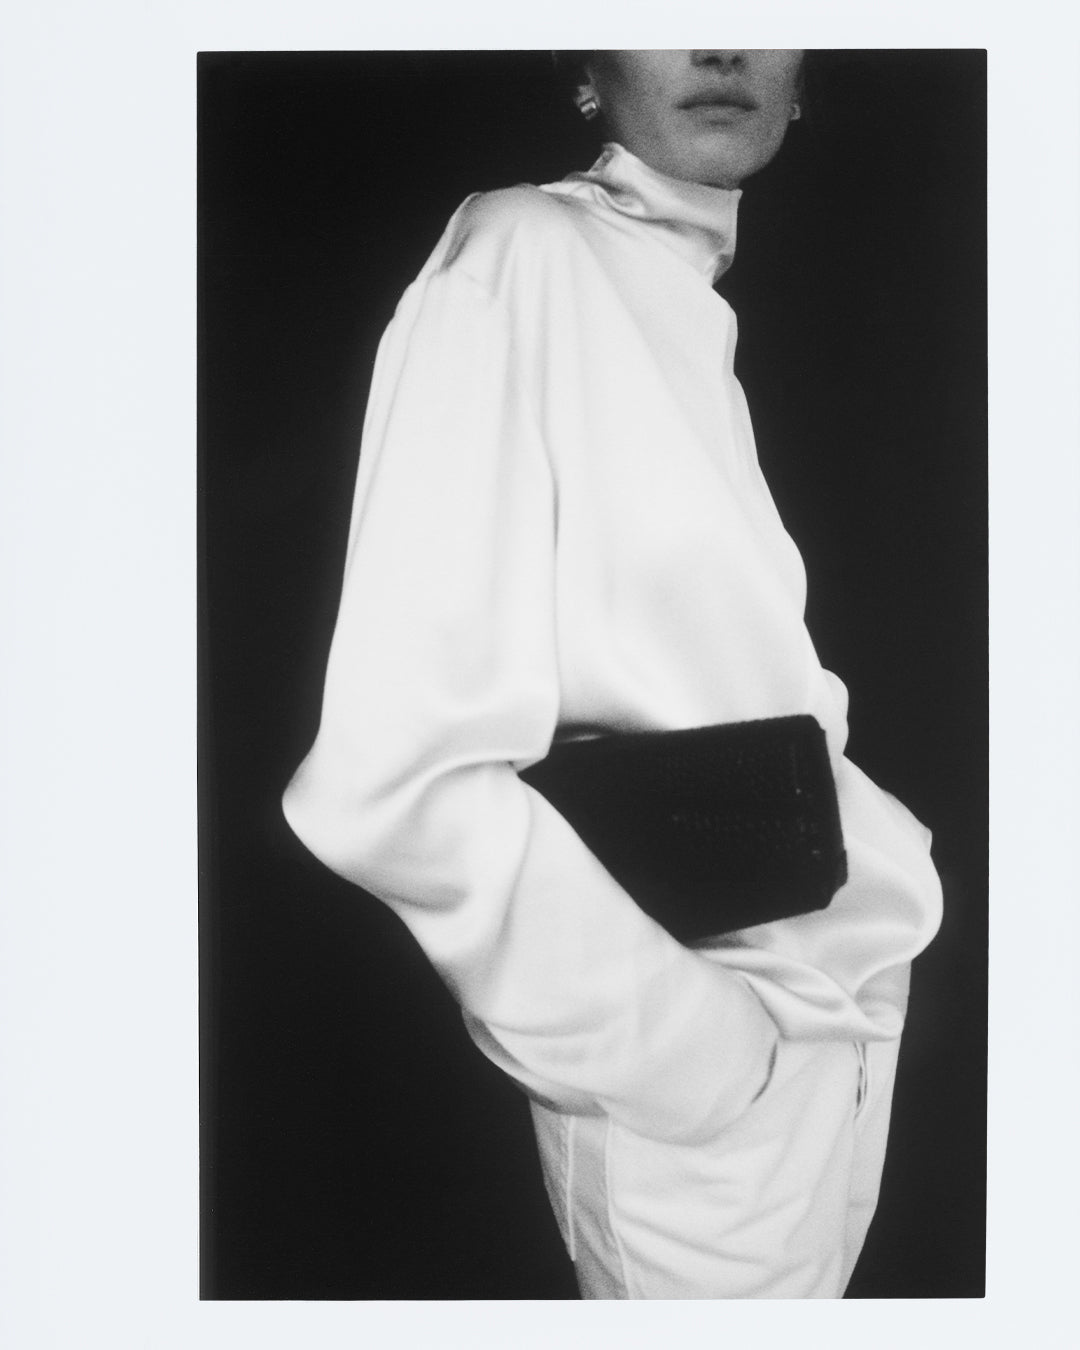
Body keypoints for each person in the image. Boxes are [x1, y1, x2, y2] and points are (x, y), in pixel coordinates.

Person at [281, 50, 943, 1299]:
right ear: (587, 74)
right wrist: (703, 1062)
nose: (719, 43)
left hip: (839, 1007)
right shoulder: (523, 252)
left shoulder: (674, 282)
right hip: (705, 1070)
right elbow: (391, 786)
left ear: (805, 79)